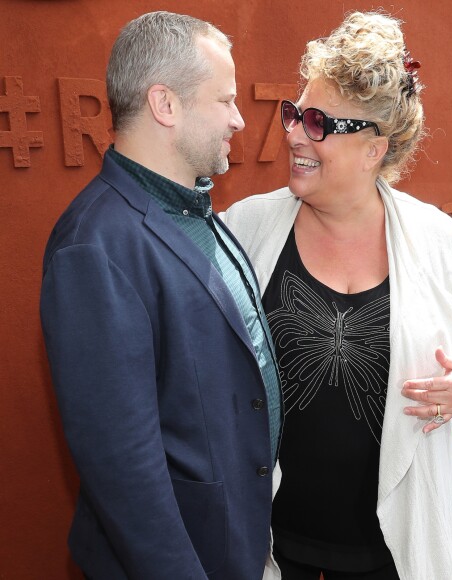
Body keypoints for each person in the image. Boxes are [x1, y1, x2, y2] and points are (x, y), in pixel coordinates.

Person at [221, 11, 452, 580]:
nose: (293, 133)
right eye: (293, 114)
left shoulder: (435, 238)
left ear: (374, 149)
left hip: (400, 547)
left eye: (317, 122)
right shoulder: (245, 229)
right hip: (276, 548)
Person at [40, 11, 282, 580]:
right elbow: (122, 466)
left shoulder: (196, 209)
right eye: (224, 100)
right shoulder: (93, 246)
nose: (240, 120)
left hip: (240, 542)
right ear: (165, 105)